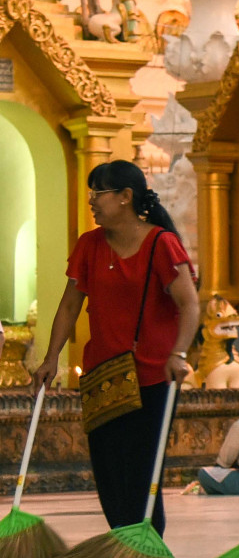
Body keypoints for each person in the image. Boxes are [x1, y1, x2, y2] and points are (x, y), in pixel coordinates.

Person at [33, 160, 201, 536]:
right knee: (109, 472)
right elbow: (70, 305)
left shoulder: (161, 243)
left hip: (153, 377)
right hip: (103, 376)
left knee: (143, 474)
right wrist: (50, 359)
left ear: (126, 197)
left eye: (99, 193)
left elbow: (189, 304)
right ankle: (123, 548)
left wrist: (179, 354)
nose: (92, 201)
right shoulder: (89, 245)